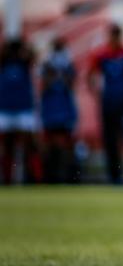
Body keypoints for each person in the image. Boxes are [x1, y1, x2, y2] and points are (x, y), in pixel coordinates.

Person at [89, 24, 123, 184]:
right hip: (109, 104)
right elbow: (91, 76)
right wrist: (96, 94)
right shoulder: (101, 55)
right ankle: (115, 177)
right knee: (111, 141)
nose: (114, 38)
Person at [39, 38, 79, 183]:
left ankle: (70, 177)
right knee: (49, 144)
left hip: (65, 108)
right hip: (50, 108)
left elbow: (70, 83)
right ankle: (49, 176)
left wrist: (61, 70)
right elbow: (45, 84)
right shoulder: (46, 63)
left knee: (68, 144)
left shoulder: (68, 63)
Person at [0, 38, 39, 184]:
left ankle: (34, 179)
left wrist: (24, 47)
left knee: (30, 145)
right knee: (8, 145)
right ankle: (7, 179)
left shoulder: (25, 63)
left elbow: (33, 56)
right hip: (6, 109)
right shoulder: (3, 63)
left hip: (24, 109)